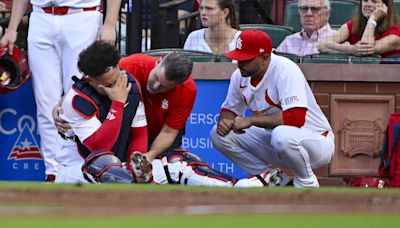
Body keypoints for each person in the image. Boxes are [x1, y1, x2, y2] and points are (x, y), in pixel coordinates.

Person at [54, 44, 290, 187]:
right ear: (158, 63)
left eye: (163, 86)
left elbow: (157, 132)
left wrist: (142, 159)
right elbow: (98, 144)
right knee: (107, 164)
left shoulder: (132, 86)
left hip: (141, 147)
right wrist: (63, 103)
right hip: (87, 164)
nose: (154, 87)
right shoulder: (131, 69)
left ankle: (246, 186)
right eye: (155, 79)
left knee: (179, 165)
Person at [0, 0, 122, 181]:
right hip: (41, 16)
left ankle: (77, 168)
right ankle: (53, 171)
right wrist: (12, 28)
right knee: (45, 102)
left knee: (77, 99)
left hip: (82, 15)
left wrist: (110, 23)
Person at [210, 30, 335, 188]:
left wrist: (251, 120)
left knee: (281, 134)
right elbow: (229, 110)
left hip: (315, 142)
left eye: (246, 59)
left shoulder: (285, 70)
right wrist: (225, 122)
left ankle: (307, 182)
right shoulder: (239, 75)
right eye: (238, 58)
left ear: (265, 58)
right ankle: (275, 180)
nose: (239, 63)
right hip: (278, 144)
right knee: (218, 134)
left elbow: (295, 118)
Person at [56, 41, 147, 183]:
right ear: (90, 81)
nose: (116, 87)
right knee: (110, 172)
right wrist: (117, 104)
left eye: (116, 80)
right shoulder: (77, 100)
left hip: (118, 166)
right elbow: (101, 147)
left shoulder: (130, 85)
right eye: (108, 85)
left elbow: (139, 135)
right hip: (77, 167)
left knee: (178, 169)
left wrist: (135, 171)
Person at [318, 0, 400, 58]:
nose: (368, 4)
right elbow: (322, 45)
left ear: (386, 7)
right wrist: (351, 50)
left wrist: (372, 19)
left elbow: (365, 49)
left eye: (374, 1)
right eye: (365, 0)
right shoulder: (353, 25)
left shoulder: (395, 34)